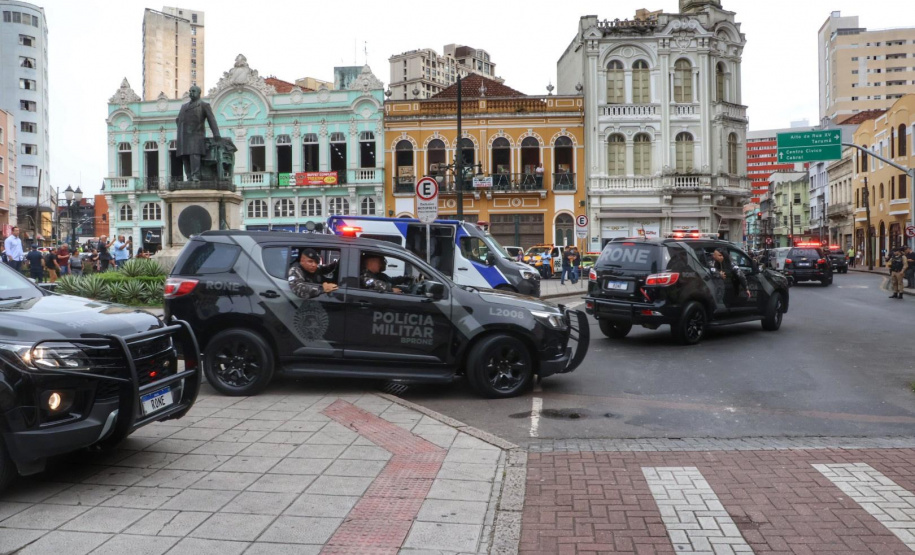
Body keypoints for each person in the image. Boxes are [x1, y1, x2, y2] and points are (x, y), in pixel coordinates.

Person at [176, 85, 221, 181]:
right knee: (185, 156)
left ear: (199, 93)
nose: (191, 93)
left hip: (196, 135)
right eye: (190, 91)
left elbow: (211, 120)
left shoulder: (204, 105)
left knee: (194, 154)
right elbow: (179, 119)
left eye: (193, 91)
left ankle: (195, 175)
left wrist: (216, 134)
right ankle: (189, 176)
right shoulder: (184, 107)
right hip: (184, 136)